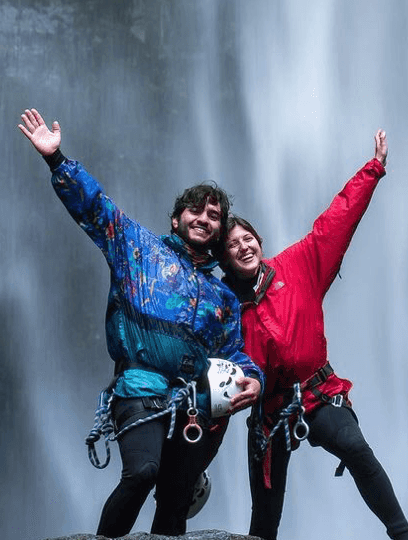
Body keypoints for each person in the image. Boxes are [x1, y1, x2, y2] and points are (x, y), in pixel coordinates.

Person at [18, 107, 263, 537]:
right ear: (177, 218)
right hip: (139, 388)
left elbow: (233, 353)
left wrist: (252, 378)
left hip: (192, 403)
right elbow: (96, 209)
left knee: (177, 495)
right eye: (196, 211)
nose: (204, 219)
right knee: (142, 472)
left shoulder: (223, 297)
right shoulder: (136, 248)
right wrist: (57, 160)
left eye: (213, 217)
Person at [222, 129, 408, 540]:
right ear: (224, 259)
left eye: (247, 238)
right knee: (266, 511)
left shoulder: (297, 265)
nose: (243, 246)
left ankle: (402, 535)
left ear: (259, 240)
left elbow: (337, 221)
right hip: (269, 411)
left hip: (317, 392)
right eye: (232, 245)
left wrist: (374, 168)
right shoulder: (221, 306)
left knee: (357, 449)